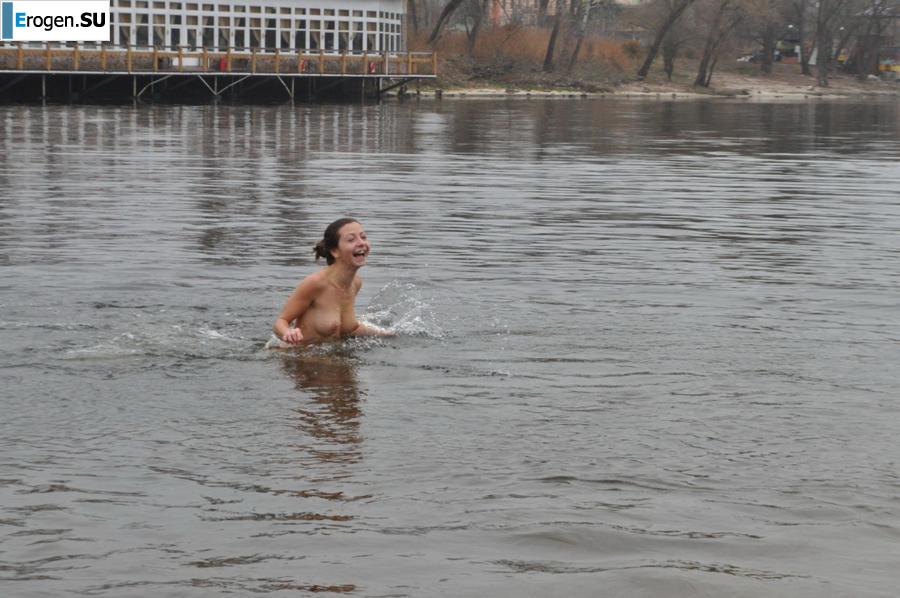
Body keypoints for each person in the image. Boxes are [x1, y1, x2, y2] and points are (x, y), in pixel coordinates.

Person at [272, 218, 389, 345]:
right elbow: (281, 321)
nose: (361, 243)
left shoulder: (355, 283)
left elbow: (349, 330)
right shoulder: (315, 283)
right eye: (351, 239)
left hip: (334, 359)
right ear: (335, 251)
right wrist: (288, 333)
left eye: (363, 237)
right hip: (300, 360)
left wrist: (386, 334)